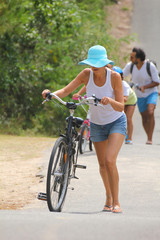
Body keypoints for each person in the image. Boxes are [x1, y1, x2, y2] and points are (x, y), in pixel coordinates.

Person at [42, 45, 127, 213]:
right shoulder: (86, 74)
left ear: (105, 64)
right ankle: (108, 197)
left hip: (116, 121)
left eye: (97, 63)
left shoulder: (115, 77)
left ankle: (116, 202)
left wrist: (109, 101)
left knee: (110, 161)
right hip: (96, 123)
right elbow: (67, 90)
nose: (94, 66)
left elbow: (121, 107)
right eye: (92, 63)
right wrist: (51, 94)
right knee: (102, 164)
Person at [123, 47, 160, 145]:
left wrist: (145, 86)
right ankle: (148, 134)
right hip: (139, 95)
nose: (130, 59)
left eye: (132, 57)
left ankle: (150, 138)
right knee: (144, 116)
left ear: (138, 58)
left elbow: (157, 82)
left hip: (151, 92)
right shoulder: (130, 66)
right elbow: (121, 75)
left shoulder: (150, 66)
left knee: (150, 112)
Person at [112, 66, 137, 144]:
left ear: (121, 77)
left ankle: (129, 138)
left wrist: (112, 100)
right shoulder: (110, 83)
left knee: (128, 118)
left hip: (130, 100)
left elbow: (125, 99)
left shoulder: (124, 85)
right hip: (119, 100)